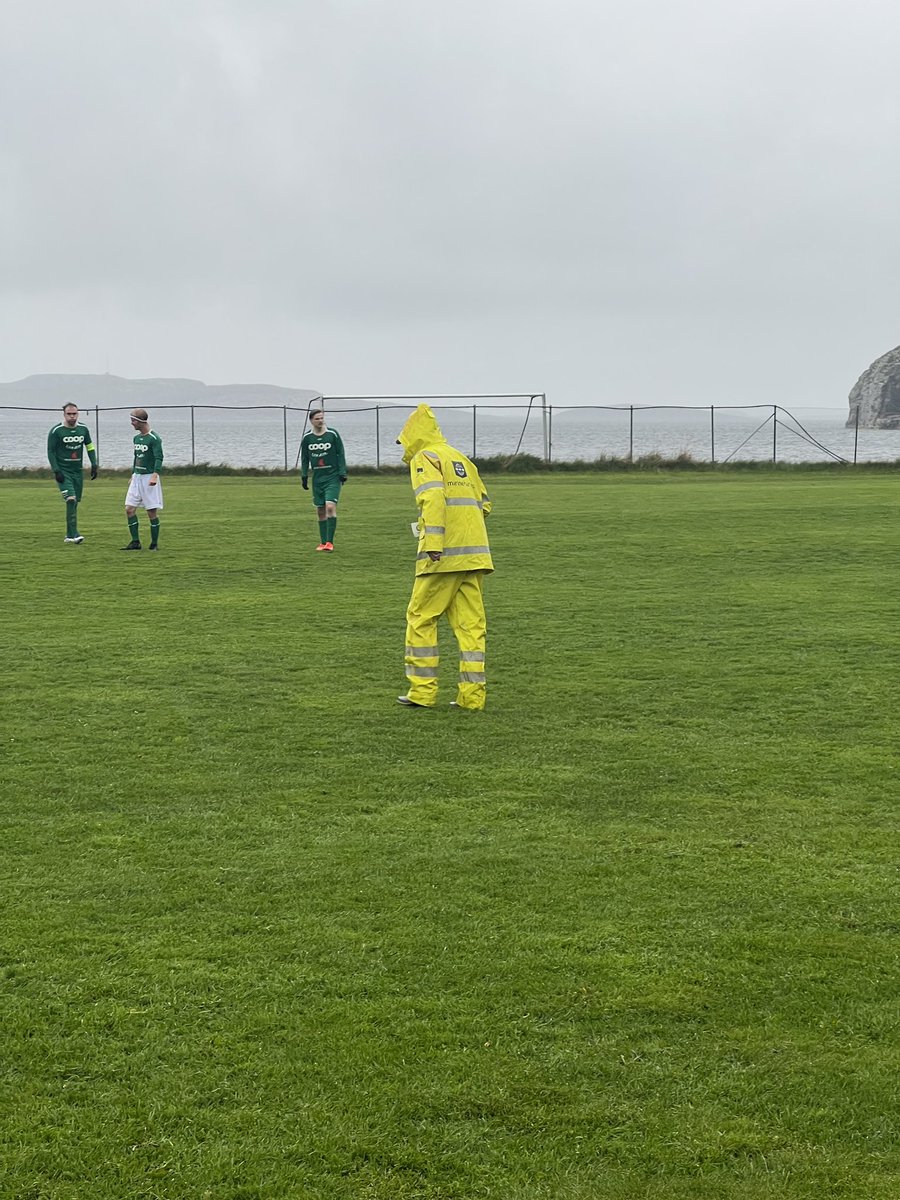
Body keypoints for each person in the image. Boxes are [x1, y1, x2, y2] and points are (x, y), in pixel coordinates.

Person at [395, 404, 493, 711]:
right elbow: (484, 504)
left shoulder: (425, 457)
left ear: (413, 434)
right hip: (475, 555)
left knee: (421, 618)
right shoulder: (460, 458)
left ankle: (422, 692)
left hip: (443, 556)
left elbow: (433, 498)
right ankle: (472, 697)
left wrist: (434, 541)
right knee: (471, 627)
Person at [47, 403, 98, 544]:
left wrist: (94, 464)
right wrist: (56, 470)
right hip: (63, 471)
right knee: (71, 499)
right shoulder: (56, 431)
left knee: (75, 502)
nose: (72, 416)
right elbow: (50, 452)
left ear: (77, 414)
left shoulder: (83, 429)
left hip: (77, 472)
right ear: (64, 414)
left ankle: (69, 536)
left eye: (74, 413)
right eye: (69, 414)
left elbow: (89, 446)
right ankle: (74, 534)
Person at [300, 409, 347, 551]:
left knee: (330, 507)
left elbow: (341, 453)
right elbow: (305, 458)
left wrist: (342, 472)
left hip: (332, 477)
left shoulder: (332, 434)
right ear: (311, 421)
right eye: (317, 419)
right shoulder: (307, 438)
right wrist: (304, 476)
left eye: (322, 418)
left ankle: (330, 543)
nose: (320, 421)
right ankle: (323, 542)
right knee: (320, 510)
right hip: (317, 479)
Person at [122, 409, 164, 550]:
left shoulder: (154, 438)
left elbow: (159, 457)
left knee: (151, 512)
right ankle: (135, 542)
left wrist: (155, 474)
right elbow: (136, 457)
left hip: (148, 477)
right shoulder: (136, 438)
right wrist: (133, 474)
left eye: (133, 420)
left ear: (140, 421)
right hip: (137, 477)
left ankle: (154, 544)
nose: (131, 423)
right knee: (129, 509)